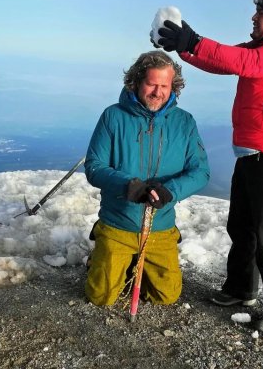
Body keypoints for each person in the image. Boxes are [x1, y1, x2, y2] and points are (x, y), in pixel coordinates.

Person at [154, 0, 263, 335]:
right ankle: (241, 289)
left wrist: (192, 40)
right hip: (251, 151)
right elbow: (222, 60)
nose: (254, 17)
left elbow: (245, 63)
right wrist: (182, 46)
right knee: (241, 226)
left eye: (262, 12)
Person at [84, 50, 209, 306]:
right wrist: (129, 185)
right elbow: (94, 166)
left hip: (160, 226)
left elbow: (200, 171)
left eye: (165, 85)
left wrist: (170, 191)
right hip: (118, 223)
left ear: (173, 86)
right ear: (137, 81)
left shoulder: (184, 122)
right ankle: (106, 256)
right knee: (101, 297)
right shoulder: (113, 116)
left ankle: (130, 266)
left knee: (167, 296)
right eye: (152, 83)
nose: (158, 92)